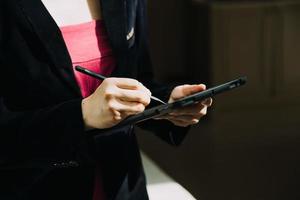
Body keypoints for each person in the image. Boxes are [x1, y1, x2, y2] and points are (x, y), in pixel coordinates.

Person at [0, 0, 212, 199]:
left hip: (124, 186)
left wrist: (165, 102)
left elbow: (138, 77)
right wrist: (81, 115)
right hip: (33, 189)